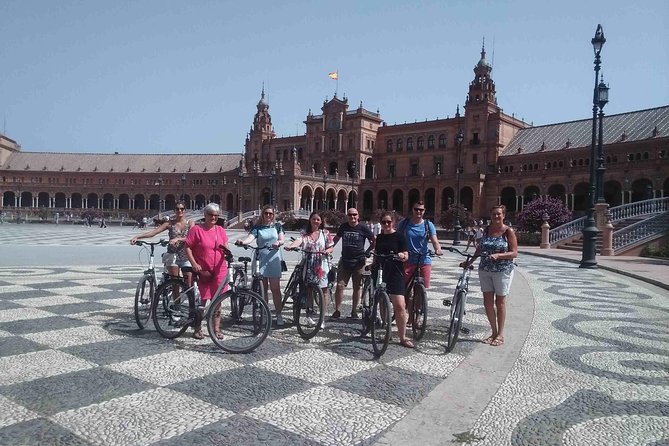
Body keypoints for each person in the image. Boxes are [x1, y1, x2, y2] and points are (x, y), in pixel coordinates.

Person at [464, 205, 518, 347]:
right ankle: (493, 332)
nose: (496, 216)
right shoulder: (487, 230)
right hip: (485, 270)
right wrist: (469, 261)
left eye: (499, 214)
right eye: (494, 214)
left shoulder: (508, 231)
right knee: (487, 302)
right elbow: (479, 249)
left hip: (502, 271)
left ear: (503, 215)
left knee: (500, 302)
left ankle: (500, 334)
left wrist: (499, 255)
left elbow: (514, 253)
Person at [184, 203, 231, 339]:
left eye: (216, 215)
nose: (214, 217)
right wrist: (194, 264)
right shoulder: (196, 230)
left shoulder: (221, 230)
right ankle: (197, 328)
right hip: (203, 269)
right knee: (202, 301)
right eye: (211, 214)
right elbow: (187, 247)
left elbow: (226, 247)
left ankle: (216, 329)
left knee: (218, 301)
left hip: (219, 269)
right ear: (205, 215)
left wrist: (229, 255)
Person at [235, 205, 285, 326]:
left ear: (273, 215)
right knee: (262, 290)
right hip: (261, 258)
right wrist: (242, 242)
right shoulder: (257, 228)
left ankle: (278, 314)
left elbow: (282, 239)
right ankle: (264, 313)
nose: (268, 215)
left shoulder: (277, 226)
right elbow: (250, 238)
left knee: (275, 289)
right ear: (262, 214)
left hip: (274, 258)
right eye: (266, 213)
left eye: (270, 214)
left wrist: (278, 242)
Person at [285, 211, 334, 329]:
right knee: (309, 290)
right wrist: (292, 246)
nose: (315, 221)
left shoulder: (325, 233)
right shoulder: (305, 233)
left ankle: (322, 318)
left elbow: (331, 247)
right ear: (310, 220)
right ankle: (309, 315)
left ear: (321, 221)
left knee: (324, 290)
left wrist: (328, 251)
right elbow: (299, 240)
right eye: (313, 219)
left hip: (322, 265)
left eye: (318, 219)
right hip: (309, 264)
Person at [397, 201, 442, 323]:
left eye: (421, 210)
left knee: (420, 290)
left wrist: (437, 249)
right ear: (412, 209)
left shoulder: (428, 225)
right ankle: (407, 312)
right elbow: (397, 237)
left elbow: (434, 240)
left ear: (424, 211)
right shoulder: (404, 223)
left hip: (424, 260)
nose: (419, 212)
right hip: (408, 260)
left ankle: (417, 315)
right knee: (407, 290)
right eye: (416, 209)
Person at [130, 200, 194, 284]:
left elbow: (192, 238)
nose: (179, 211)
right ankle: (175, 297)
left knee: (188, 284)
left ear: (185, 210)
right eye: (177, 209)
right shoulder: (169, 223)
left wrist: (178, 239)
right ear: (174, 210)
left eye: (182, 209)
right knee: (174, 283)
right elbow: (154, 232)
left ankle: (188, 297)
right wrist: (138, 236)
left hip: (186, 256)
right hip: (172, 255)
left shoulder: (190, 223)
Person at [374, 212, 412, 347]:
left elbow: (406, 255)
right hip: (381, 271)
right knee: (383, 302)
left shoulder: (399, 237)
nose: (386, 224)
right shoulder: (379, 237)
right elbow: (376, 254)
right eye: (383, 222)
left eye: (389, 222)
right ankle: (387, 331)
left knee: (400, 305)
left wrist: (402, 255)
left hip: (395, 272)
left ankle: (402, 337)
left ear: (393, 222)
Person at [331, 207, 375, 319]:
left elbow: (374, 240)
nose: (352, 217)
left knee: (357, 287)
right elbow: (336, 239)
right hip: (345, 260)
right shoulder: (343, 227)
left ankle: (354, 312)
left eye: (354, 214)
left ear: (358, 216)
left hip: (359, 262)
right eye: (350, 215)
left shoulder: (363, 228)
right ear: (347, 216)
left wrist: (368, 252)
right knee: (340, 286)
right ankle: (337, 311)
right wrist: (329, 248)